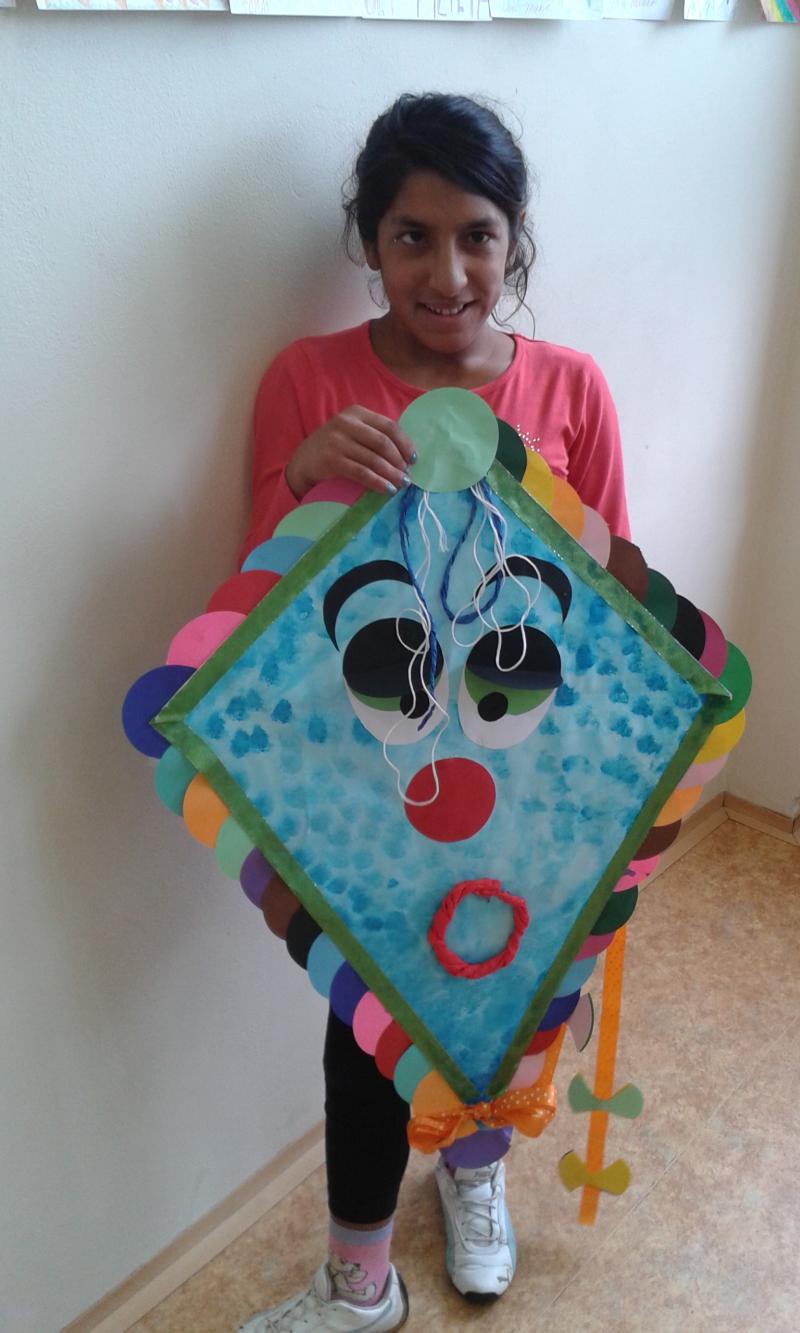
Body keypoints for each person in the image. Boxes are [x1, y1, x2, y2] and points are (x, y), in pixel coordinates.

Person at [239, 93, 630, 1333]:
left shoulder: (569, 387)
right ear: (369, 240)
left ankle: (473, 1175)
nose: (446, 272)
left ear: (513, 241)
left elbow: (617, 599)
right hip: (367, 789)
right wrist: (304, 474)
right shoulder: (307, 380)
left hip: (528, 781)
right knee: (368, 1021)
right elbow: (250, 608)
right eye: (411, 236)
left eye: (476, 235)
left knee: (501, 994)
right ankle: (360, 1280)